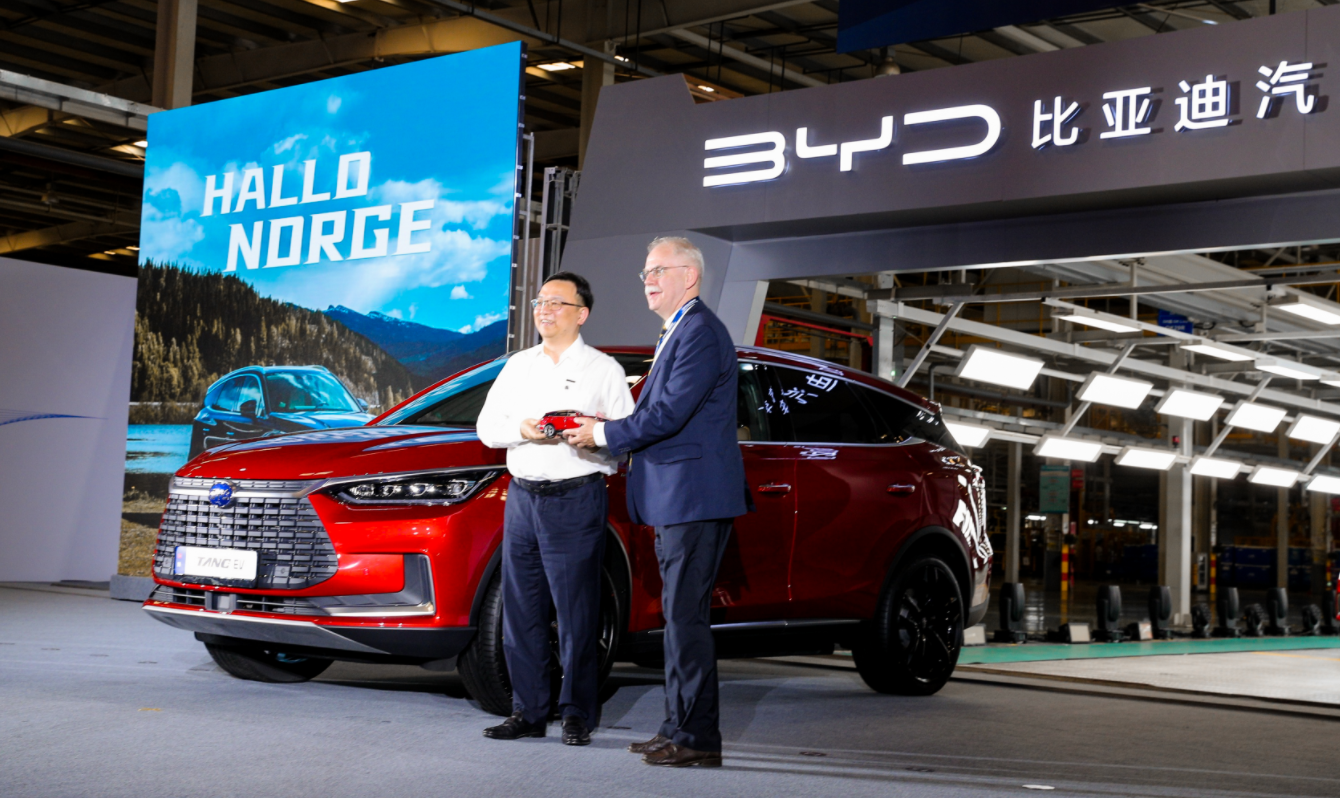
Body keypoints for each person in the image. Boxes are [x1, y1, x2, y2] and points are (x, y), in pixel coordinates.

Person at [565, 236, 751, 768]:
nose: (647, 280)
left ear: (688, 277)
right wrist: (606, 426)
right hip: (679, 499)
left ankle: (698, 739)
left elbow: (668, 414)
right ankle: (676, 727)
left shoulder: (700, 332)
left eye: (658, 270)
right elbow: (664, 412)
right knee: (678, 618)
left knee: (686, 620)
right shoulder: (681, 330)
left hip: (692, 499)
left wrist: (602, 434)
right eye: (645, 272)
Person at [475, 271, 634, 746]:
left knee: (576, 613)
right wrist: (523, 430)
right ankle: (528, 711)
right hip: (523, 497)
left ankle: (577, 712)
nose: (543, 310)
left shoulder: (604, 369)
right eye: (539, 302)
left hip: (575, 497)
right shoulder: (518, 365)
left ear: (581, 314)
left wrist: (590, 434)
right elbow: (487, 428)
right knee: (521, 611)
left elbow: (625, 439)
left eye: (556, 303)